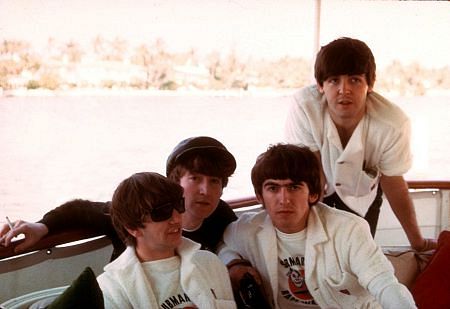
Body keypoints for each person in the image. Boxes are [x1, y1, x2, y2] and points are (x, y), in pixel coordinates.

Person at [218, 143, 417, 308]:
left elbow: (384, 284)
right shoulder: (247, 230)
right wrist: (234, 264)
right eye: (273, 188)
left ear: (313, 194)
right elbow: (222, 246)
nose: (284, 199)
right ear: (260, 196)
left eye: (294, 187)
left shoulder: (349, 230)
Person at [284, 37, 436, 251]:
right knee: (315, 251)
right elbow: (310, 172)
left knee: (359, 254)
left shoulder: (393, 124)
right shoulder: (304, 107)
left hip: (363, 195)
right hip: (315, 184)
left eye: (354, 80)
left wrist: (417, 242)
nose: (343, 90)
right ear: (320, 85)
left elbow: (393, 181)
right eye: (334, 80)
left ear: (370, 85)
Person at [0, 136, 238, 259]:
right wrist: (43, 226)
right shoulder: (140, 213)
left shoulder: (222, 217)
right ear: (175, 183)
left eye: (214, 181)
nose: (205, 190)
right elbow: (80, 210)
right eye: (195, 179)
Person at [96, 171, 236, 308]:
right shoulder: (112, 289)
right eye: (162, 212)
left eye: (178, 205)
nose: (176, 218)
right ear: (133, 228)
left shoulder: (210, 263)